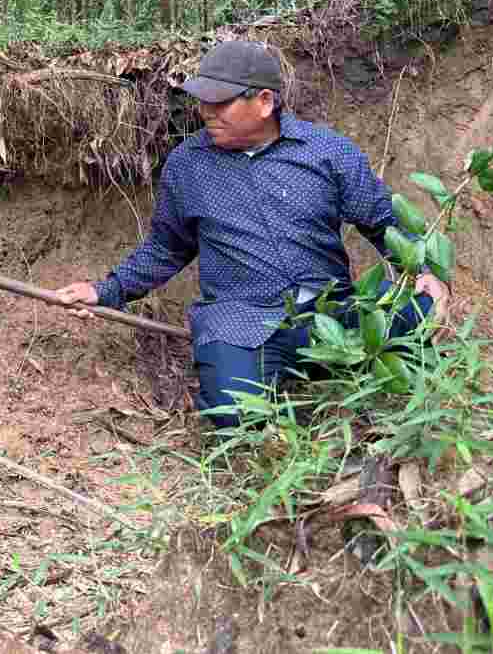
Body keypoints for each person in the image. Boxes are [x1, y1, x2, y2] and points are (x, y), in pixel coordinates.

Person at [54, 40, 448, 429]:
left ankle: (361, 388)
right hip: (241, 321)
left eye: (220, 101)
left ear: (263, 102)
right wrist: (106, 290)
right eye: (202, 100)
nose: (206, 112)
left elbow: (382, 218)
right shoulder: (187, 165)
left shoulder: (326, 152)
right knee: (232, 414)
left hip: (332, 311)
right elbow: (166, 248)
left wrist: (425, 271)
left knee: (421, 310)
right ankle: (284, 416)